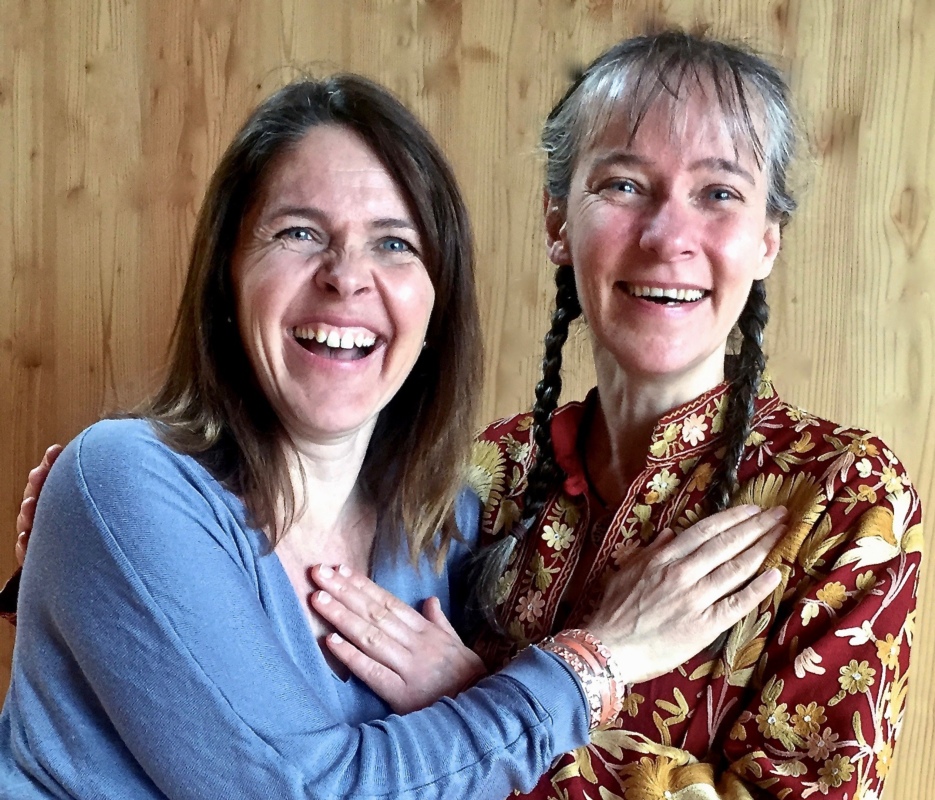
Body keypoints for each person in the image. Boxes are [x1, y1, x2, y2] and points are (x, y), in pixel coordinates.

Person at [0, 72, 785, 799]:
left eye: (393, 243)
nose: (346, 276)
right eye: (298, 233)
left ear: (435, 304)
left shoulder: (448, 524)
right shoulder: (124, 478)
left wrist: (473, 692)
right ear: (227, 276)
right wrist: (595, 661)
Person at [197, 32, 918, 800]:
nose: (666, 237)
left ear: (766, 239)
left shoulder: (839, 497)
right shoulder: (485, 475)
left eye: (717, 193)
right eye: (624, 185)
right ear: (557, 224)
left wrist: (470, 693)